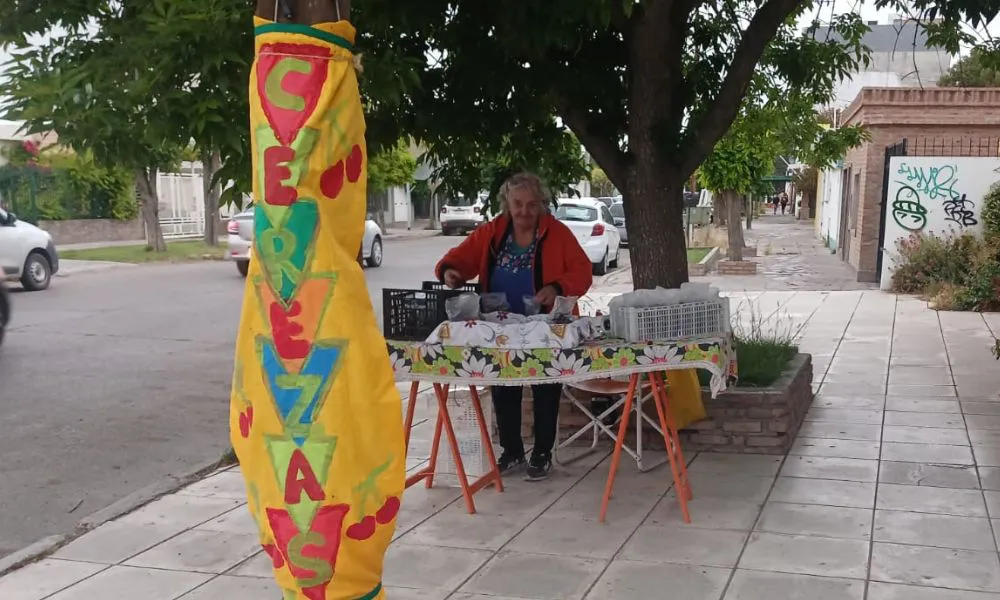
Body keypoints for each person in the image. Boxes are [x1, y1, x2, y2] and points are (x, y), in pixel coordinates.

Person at [435, 172, 593, 481]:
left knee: (546, 385)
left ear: (541, 204)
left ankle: (542, 453)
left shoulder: (557, 233)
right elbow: (459, 259)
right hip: (499, 326)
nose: (524, 211)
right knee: (503, 385)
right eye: (517, 204)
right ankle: (512, 451)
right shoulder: (493, 232)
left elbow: (582, 272)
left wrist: (557, 287)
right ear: (507, 203)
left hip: (545, 326)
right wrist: (451, 272)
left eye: (531, 204)